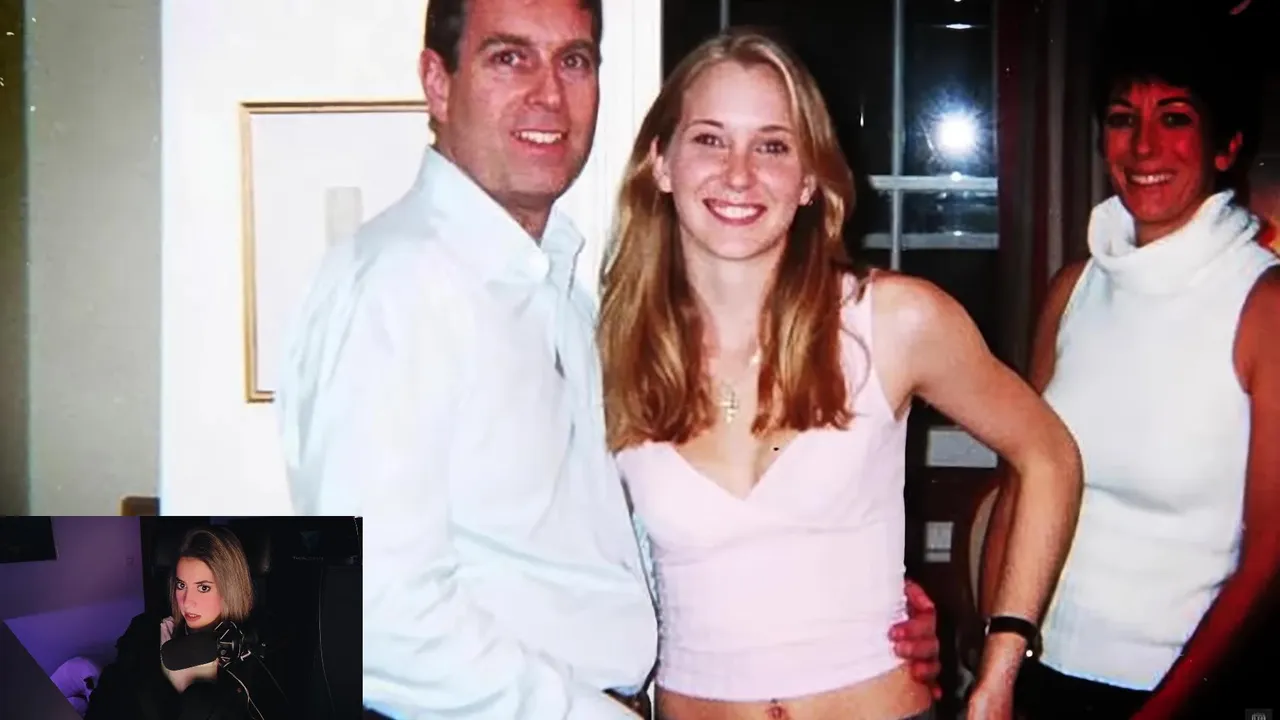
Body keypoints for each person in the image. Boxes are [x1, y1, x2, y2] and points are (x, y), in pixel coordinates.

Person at [275, 1, 945, 718]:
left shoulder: (568, 295)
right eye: (509, 57)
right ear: (438, 84)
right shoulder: (396, 286)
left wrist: (843, 609)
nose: (548, 93)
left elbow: (602, 553)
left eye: (574, 61)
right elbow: (374, 620)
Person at [598, 28, 1083, 720]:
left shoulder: (893, 321)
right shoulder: (609, 350)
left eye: (772, 146)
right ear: (661, 162)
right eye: (709, 139)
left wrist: (1001, 666)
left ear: (808, 180)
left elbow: (1049, 454)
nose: (738, 174)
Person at [979, 9, 1280, 720]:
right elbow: (1019, 488)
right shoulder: (1072, 289)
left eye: (1175, 118)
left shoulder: (1263, 305)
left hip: (1180, 689)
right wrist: (993, 661)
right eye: (1122, 118)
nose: (1144, 145)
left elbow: (1271, 553)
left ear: (1226, 146)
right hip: (1040, 674)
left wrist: (1167, 708)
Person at [86, 527, 287, 720]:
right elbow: (108, 694)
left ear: (230, 590)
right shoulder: (145, 630)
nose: (187, 602)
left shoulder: (252, 654)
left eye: (203, 588)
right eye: (181, 585)